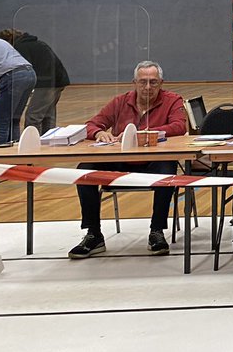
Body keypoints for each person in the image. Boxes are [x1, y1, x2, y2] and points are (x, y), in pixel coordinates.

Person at [68, 61, 187, 259]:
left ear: (161, 83)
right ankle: (93, 234)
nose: (148, 87)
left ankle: (156, 231)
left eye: (153, 82)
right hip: (120, 163)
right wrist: (98, 133)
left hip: (153, 163)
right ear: (134, 82)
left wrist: (145, 134)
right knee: (84, 171)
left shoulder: (172, 100)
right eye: (143, 82)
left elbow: (179, 126)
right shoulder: (120, 102)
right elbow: (91, 124)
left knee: (168, 169)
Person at [0, 29, 70, 133]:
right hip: (58, 80)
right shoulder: (36, 43)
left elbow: (23, 69)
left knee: (33, 117)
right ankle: (49, 142)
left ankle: (33, 144)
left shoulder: (20, 48)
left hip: (46, 83)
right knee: (47, 115)